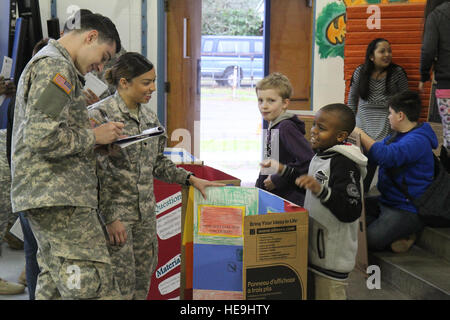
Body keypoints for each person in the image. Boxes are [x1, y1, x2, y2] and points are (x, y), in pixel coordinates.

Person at [88, 52, 223, 300]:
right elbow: (93, 173)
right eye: (146, 82)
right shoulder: (99, 116)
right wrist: (110, 217)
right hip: (116, 220)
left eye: (154, 81)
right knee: (115, 289)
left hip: (145, 220)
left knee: (141, 287)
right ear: (124, 82)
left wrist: (190, 179)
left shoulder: (149, 117)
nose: (152, 88)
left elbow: (157, 162)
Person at [11, 12, 125, 300]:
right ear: (90, 37)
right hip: (60, 198)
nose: (100, 67)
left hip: (52, 196)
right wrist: (94, 137)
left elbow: (47, 132)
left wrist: (92, 140)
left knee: (54, 285)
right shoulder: (56, 68)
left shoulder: (58, 66)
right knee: (92, 285)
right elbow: (40, 136)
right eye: (104, 55)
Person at [262, 104, 367, 300]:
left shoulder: (344, 164)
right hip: (315, 255)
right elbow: (310, 186)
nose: (314, 131)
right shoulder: (320, 156)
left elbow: (351, 209)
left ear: (341, 136)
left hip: (332, 260)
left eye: (322, 128)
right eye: (314, 125)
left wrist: (320, 190)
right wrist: (283, 169)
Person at [354, 90, 438, 253]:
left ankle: (409, 234)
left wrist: (361, 133)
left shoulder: (418, 140)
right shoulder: (397, 135)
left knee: (369, 240)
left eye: (390, 113)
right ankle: (397, 235)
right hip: (387, 201)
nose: (388, 117)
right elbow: (376, 153)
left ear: (400, 116)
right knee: (352, 218)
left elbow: (386, 156)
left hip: (407, 208)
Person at [348, 38, 409, 192]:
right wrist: (350, 124)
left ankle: (380, 194)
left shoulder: (397, 73)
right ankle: (360, 194)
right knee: (360, 164)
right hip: (362, 121)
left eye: (389, 51)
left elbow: (405, 101)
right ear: (371, 56)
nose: (387, 54)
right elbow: (352, 99)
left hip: (387, 122)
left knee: (380, 155)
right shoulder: (360, 72)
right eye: (382, 51)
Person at [255, 72, 314, 206]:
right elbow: (270, 163)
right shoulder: (273, 125)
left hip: (289, 199)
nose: (264, 106)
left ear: (285, 103)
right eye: (260, 100)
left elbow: (309, 161)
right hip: (275, 197)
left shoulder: (286, 127)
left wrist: (278, 179)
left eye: (271, 100)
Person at [419, 0, 450, 172]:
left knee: (449, 137)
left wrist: (424, 76)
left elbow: (428, 50)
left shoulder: (436, 15)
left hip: (447, 86)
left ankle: (445, 188)